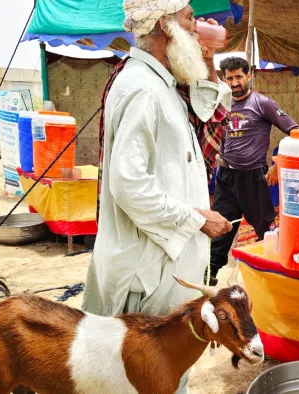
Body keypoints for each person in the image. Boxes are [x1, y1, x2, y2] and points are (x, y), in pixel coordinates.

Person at [82, 1, 232, 391]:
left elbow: (208, 106)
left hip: (162, 263)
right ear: (167, 27)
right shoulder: (143, 88)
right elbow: (129, 184)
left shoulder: (159, 84)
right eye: (189, 20)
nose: (197, 28)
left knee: (162, 373)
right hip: (147, 272)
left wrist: (209, 59)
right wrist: (197, 218)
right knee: (144, 376)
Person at [210, 57, 299, 282]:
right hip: (227, 178)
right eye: (229, 78)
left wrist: (278, 162)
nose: (234, 83)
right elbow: (222, 136)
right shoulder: (223, 105)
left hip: (254, 178)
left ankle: (272, 278)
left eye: (239, 76)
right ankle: (209, 279)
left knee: (266, 233)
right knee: (221, 230)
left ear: (249, 75)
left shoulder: (262, 103)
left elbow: (295, 132)